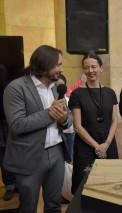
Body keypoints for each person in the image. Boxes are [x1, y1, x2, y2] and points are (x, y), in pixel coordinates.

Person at [3, 45, 72, 213]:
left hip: (56, 153)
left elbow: (68, 119)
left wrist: (63, 119)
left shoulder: (57, 88)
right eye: (58, 65)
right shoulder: (16, 87)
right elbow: (17, 124)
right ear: (44, 64)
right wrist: (50, 114)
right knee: (28, 206)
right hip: (29, 156)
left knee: (54, 204)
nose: (61, 69)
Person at [68, 51, 119, 194]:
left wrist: (106, 144)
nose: (90, 71)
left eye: (94, 67)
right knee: (85, 188)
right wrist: (98, 147)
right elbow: (77, 126)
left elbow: (115, 121)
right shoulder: (77, 94)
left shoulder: (110, 92)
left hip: (108, 145)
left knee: (111, 187)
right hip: (86, 148)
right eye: (86, 68)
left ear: (101, 68)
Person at [0, 64, 17, 201]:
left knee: (17, 153)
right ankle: (10, 186)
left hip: (13, 124)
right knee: (3, 158)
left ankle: (19, 183)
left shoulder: (11, 87)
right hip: (1, 127)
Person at [57, 74, 75, 161]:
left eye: (61, 86)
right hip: (57, 134)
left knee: (69, 158)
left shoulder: (69, 99)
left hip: (69, 133)